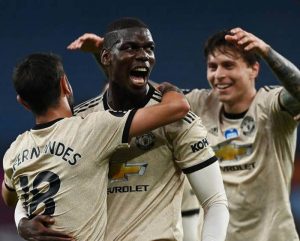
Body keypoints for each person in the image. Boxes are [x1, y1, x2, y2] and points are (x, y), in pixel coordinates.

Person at [15, 18, 229, 241]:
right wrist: (21, 221)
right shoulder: (80, 121)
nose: (144, 55)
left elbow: (215, 202)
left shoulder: (177, 121)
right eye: (130, 48)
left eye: (149, 48)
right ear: (106, 57)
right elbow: (32, 184)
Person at [2, 52, 192, 241]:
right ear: (65, 84)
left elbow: (10, 197)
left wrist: (21, 221)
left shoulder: (15, 151)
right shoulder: (92, 129)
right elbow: (178, 107)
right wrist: (168, 89)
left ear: (23, 102)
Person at [182, 27, 300, 241]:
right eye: (212, 67)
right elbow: (142, 94)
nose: (218, 75)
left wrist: (266, 51)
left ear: (254, 69)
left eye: (228, 65)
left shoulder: (271, 106)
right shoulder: (201, 104)